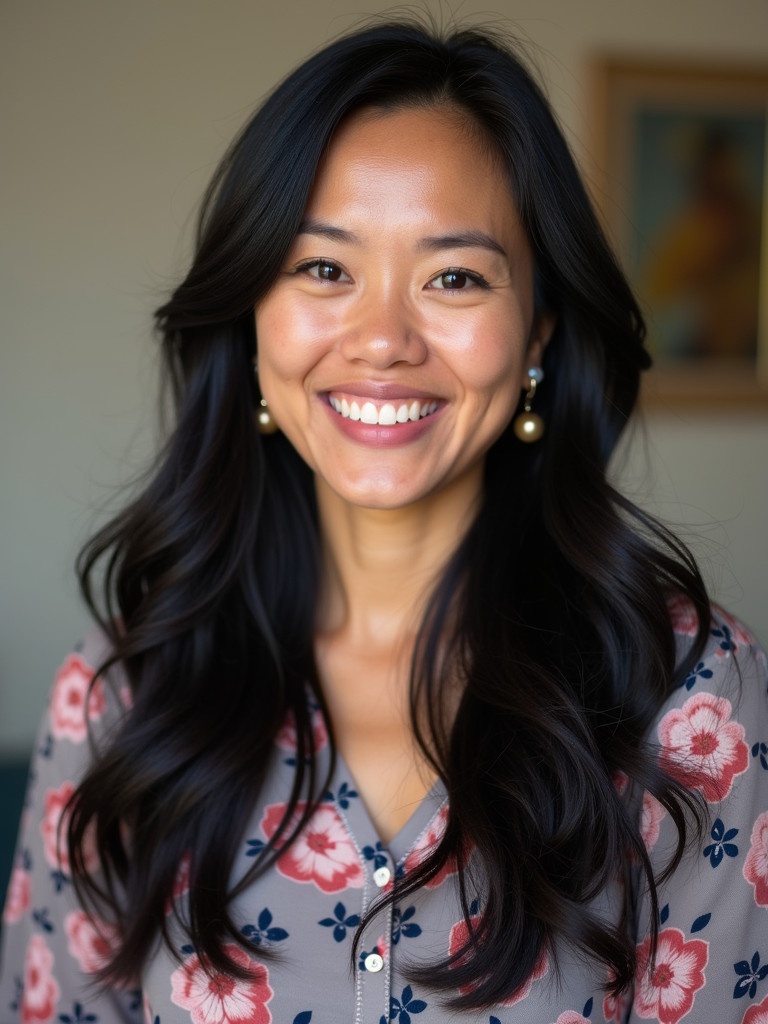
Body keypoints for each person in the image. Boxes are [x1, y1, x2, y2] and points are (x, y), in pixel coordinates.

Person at [1, 18, 767, 1024]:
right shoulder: (121, 696)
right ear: (253, 316)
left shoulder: (689, 694)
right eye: (324, 269)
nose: (382, 340)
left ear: (537, 325)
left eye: (454, 276)